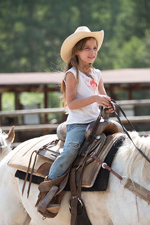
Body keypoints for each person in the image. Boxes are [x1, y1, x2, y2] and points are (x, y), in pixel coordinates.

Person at [48, 26, 113, 180]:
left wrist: (108, 104)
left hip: (96, 122)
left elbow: (103, 96)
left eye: (95, 48)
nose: (92, 52)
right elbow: (71, 103)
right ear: (76, 51)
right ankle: (50, 184)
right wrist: (95, 98)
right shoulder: (72, 74)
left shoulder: (97, 74)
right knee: (70, 152)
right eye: (87, 49)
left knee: (118, 140)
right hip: (78, 124)